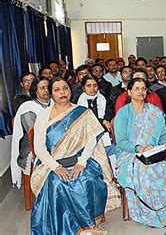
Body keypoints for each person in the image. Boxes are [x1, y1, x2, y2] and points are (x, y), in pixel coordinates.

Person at [31, 77, 120, 234]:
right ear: (51, 93)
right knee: (58, 183)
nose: (62, 92)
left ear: (70, 90)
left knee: (87, 178)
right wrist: (56, 167)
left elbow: (91, 142)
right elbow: (39, 148)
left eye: (65, 88)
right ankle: (67, 227)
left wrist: (82, 163)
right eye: (57, 90)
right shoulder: (43, 116)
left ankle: (85, 225)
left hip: (80, 160)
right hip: (51, 162)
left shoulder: (83, 113)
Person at [114, 78, 166, 227]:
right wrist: (139, 148)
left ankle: (162, 210)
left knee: (163, 167)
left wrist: (163, 145)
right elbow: (121, 142)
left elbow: (164, 135)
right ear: (129, 92)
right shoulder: (123, 113)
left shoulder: (155, 112)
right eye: (137, 88)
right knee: (144, 170)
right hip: (130, 153)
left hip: (153, 152)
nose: (141, 91)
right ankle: (148, 213)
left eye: (143, 88)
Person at [11, 76, 51, 189]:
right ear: (35, 90)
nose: (46, 90)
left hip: (56, 142)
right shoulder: (28, 107)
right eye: (42, 88)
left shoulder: (55, 103)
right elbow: (34, 134)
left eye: (48, 87)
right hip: (31, 147)